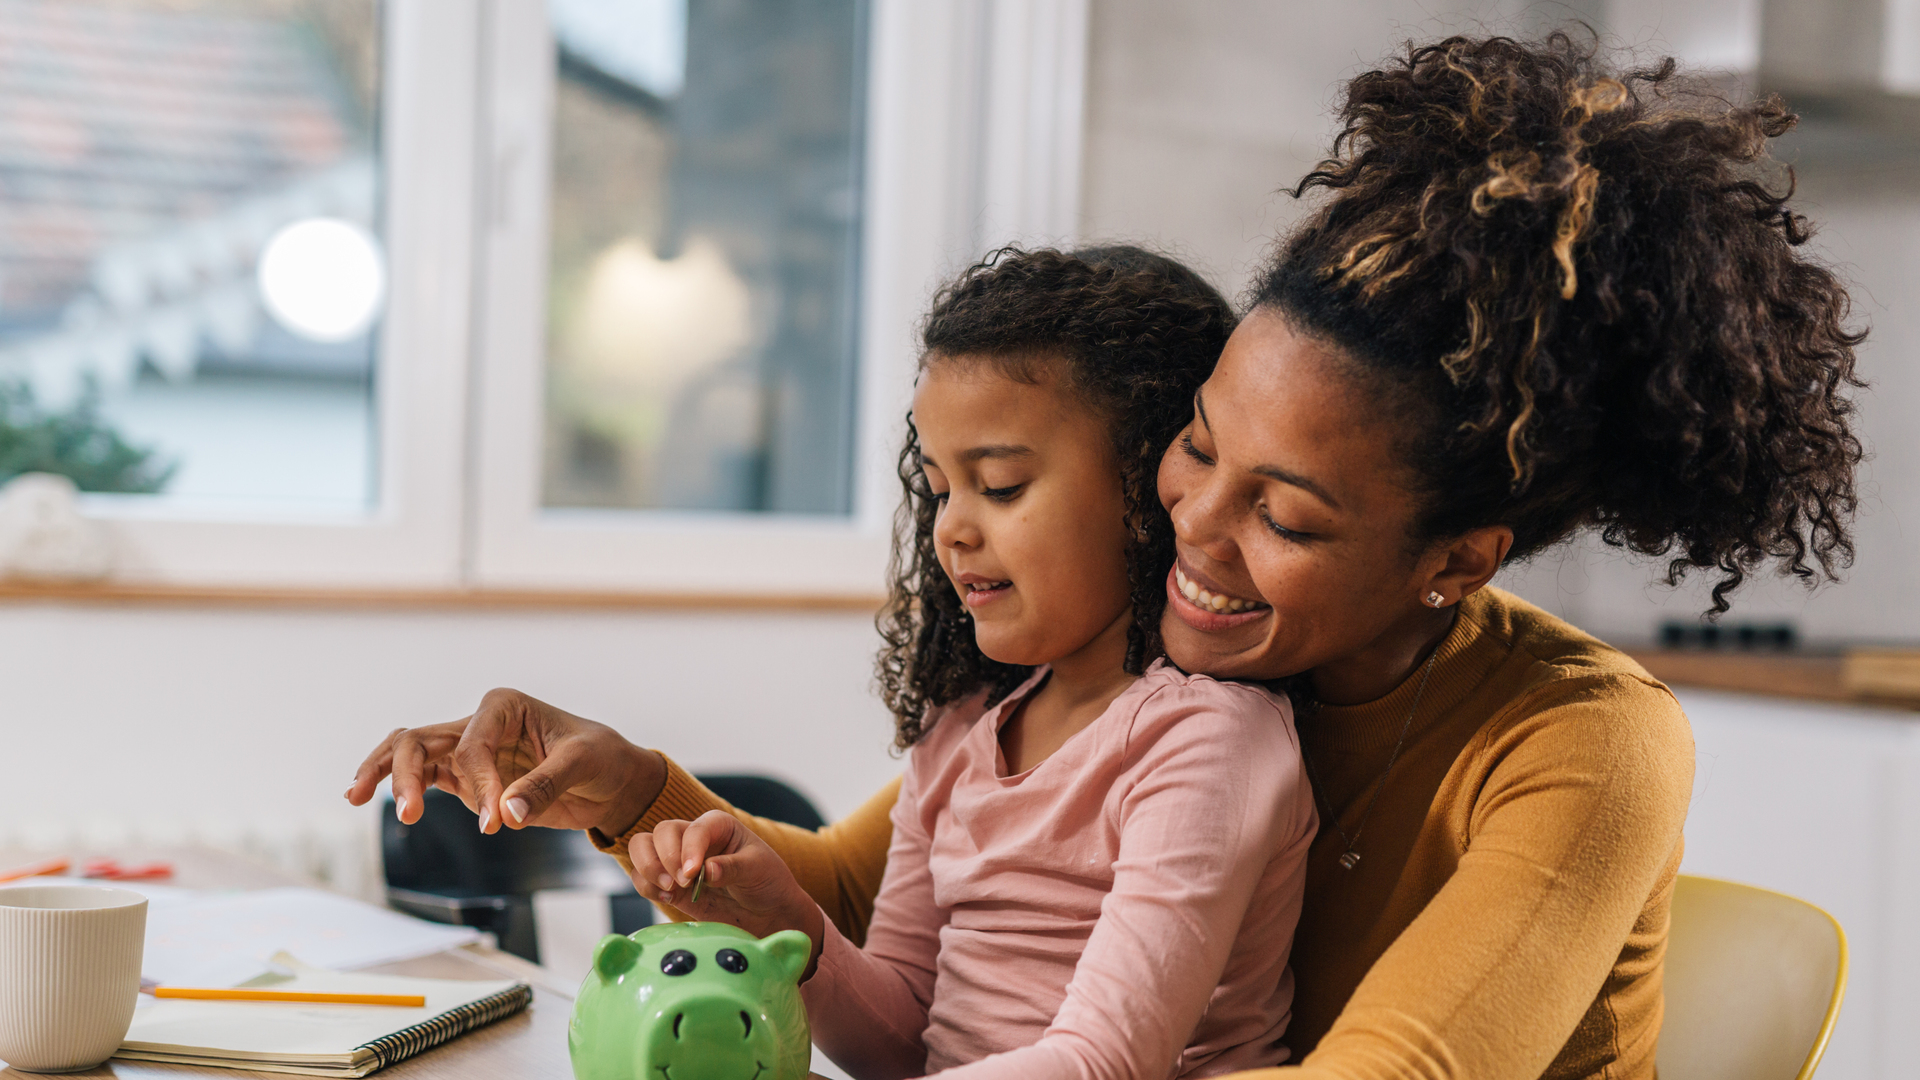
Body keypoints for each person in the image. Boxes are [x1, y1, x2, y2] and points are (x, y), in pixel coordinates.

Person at [348, 31, 1865, 1080]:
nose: (1189, 530)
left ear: (1453, 564)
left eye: (1285, 516)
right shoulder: (1142, 679)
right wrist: (631, 793)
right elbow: (882, 907)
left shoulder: (1579, 742)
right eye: (1198, 447)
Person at [625, 246, 1316, 1080]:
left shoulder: (1206, 741)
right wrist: (793, 927)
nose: (950, 527)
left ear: (1144, 489)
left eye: (1000, 486)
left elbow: (1104, 1061)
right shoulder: (958, 734)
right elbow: (901, 1043)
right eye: (940, 485)